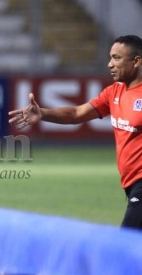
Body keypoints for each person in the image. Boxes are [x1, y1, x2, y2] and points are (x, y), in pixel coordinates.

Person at [9, 35, 142, 229]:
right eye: (110, 57)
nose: (110, 64)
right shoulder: (114, 92)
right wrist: (43, 113)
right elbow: (76, 113)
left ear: (137, 61)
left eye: (117, 58)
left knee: (125, 240)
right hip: (130, 183)